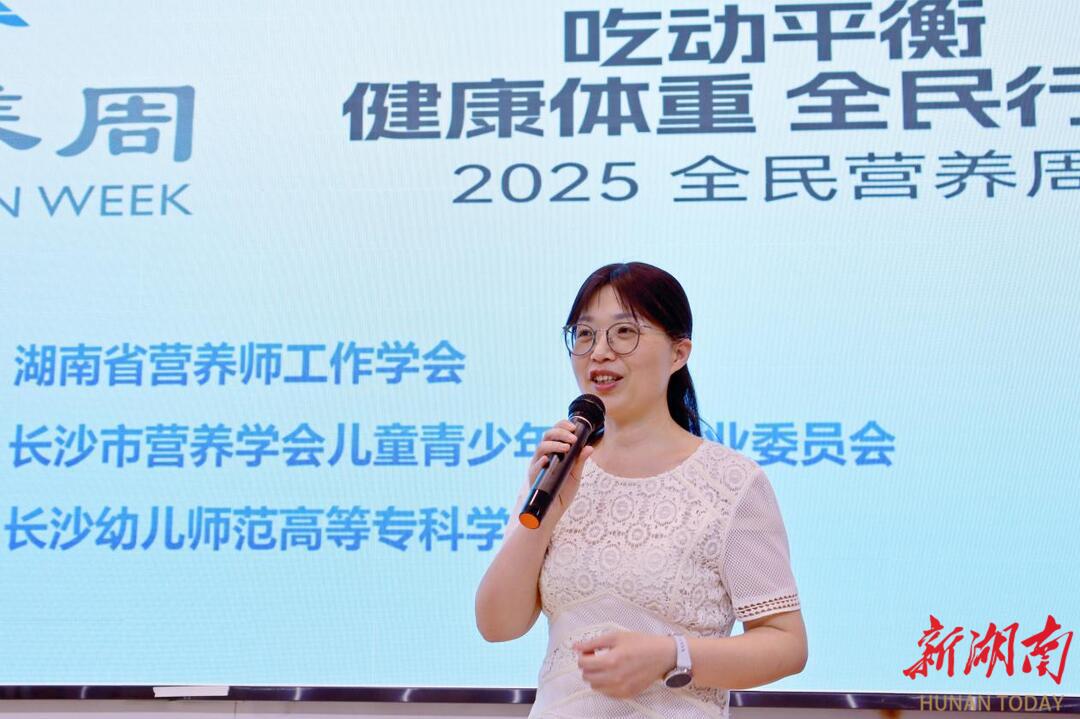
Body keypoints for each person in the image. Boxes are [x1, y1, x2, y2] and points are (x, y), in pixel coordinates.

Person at [475, 262, 807, 718]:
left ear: (678, 353)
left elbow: (786, 644)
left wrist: (671, 656)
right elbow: (498, 625)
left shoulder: (731, 483)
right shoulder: (559, 472)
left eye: (624, 333)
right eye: (585, 334)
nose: (599, 353)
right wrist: (544, 516)